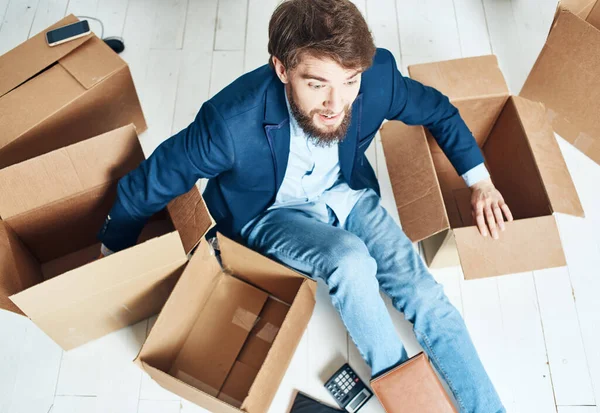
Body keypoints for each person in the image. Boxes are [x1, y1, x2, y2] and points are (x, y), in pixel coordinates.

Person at [98, 1, 511, 411]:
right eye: (317, 85)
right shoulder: (230, 123)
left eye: (349, 81)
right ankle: (412, 401)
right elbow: (148, 184)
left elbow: (439, 110)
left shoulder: (375, 78)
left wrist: (482, 182)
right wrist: (111, 259)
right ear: (282, 69)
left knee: (424, 294)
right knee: (349, 261)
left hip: (346, 194)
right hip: (270, 214)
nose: (337, 104)